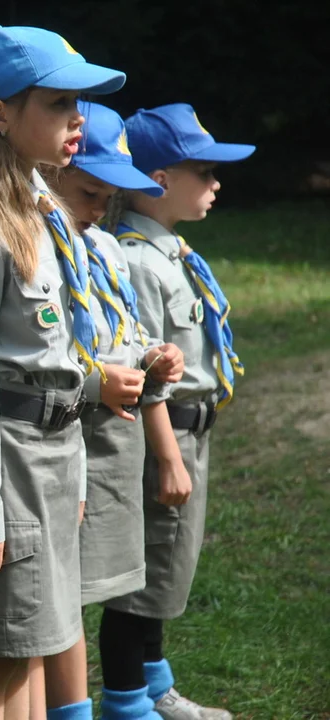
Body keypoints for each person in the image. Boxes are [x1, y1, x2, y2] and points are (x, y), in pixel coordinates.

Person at [0, 26, 126, 720]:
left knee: (32, 641)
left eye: (81, 104)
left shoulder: (41, 211)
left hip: (50, 458)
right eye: (61, 102)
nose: (79, 120)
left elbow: (57, 352)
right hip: (7, 464)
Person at [104, 103, 254, 720]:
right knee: (140, 581)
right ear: (160, 180)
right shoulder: (139, 260)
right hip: (163, 435)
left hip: (191, 433)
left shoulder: (170, 252)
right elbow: (146, 374)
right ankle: (126, 704)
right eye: (204, 171)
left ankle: (154, 686)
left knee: (166, 567)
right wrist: (167, 457)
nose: (216, 184)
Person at [47, 100, 187, 720]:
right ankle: (79, 710)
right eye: (89, 190)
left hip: (114, 442)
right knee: (61, 596)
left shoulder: (100, 246)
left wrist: (152, 354)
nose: (100, 206)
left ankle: (122, 700)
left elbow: (119, 330)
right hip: (65, 439)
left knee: (98, 582)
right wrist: (100, 378)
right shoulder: (43, 247)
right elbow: (40, 353)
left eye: (112, 195)